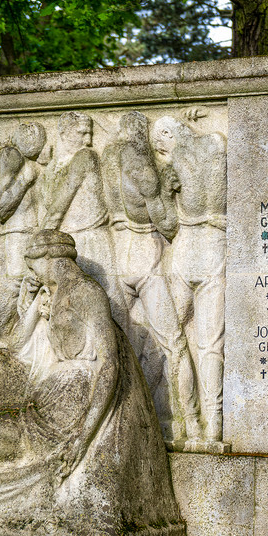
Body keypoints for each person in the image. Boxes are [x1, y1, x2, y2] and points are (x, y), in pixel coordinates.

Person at [0, 230, 184, 536]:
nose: (31, 273)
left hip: (66, 422)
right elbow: (15, 346)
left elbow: (109, 366)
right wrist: (29, 302)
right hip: (42, 411)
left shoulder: (86, 294)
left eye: (32, 266)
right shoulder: (51, 298)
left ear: (49, 260)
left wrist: (83, 438)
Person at [109, 111, 199, 442]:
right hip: (145, 253)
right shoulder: (139, 163)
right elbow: (167, 223)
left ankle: (133, 416)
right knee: (173, 343)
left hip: (119, 253)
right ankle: (189, 422)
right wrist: (170, 193)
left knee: (132, 343)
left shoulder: (107, 159)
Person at [151, 110, 226, 443]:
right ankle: (215, 423)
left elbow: (167, 225)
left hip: (186, 249)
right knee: (211, 344)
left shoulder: (172, 165)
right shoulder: (216, 144)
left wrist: (164, 195)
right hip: (217, 246)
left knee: (171, 334)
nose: (160, 154)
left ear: (169, 136)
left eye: (160, 146)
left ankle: (182, 417)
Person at [44, 112, 115, 292]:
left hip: (90, 239)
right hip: (67, 241)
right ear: (63, 133)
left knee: (106, 297)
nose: (88, 140)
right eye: (82, 133)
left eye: (90, 134)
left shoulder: (86, 156)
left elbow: (58, 208)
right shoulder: (52, 167)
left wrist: (39, 241)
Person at [0, 121, 50, 339]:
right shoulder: (8, 156)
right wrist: (27, 175)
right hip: (17, 236)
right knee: (15, 290)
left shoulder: (33, 160)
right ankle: (8, 345)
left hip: (35, 236)